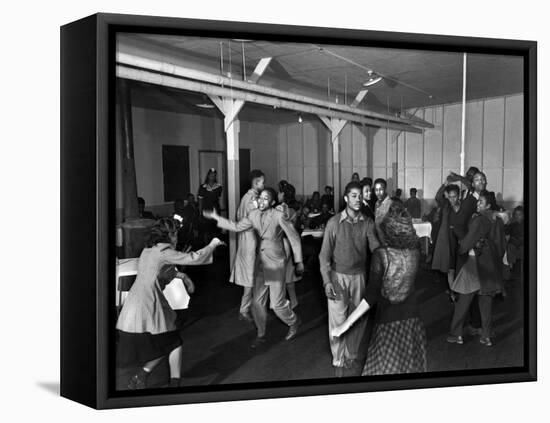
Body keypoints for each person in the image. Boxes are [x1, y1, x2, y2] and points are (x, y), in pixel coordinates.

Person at [116, 218, 225, 389]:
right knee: (172, 342)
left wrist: (183, 276)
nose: (177, 238)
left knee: (170, 342)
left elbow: (160, 272)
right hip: (148, 304)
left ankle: (144, 377)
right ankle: (165, 381)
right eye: (175, 234)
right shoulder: (164, 251)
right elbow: (193, 258)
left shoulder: (149, 250)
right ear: (170, 235)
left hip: (136, 303)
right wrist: (213, 244)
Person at [331, 202, 427, 375]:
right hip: (413, 322)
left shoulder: (381, 255)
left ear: (388, 228)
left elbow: (371, 296)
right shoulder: (415, 251)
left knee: (381, 376)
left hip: (388, 323)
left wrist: (345, 325)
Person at [204, 188, 304, 348]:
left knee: (277, 305)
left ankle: (294, 321)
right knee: (257, 302)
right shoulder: (253, 215)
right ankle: (261, 334)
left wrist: (299, 261)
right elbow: (236, 226)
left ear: (272, 202)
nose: (262, 201)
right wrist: (216, 217)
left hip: (275, 262)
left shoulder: (278, 215)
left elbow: (294, 237)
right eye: (260, 198)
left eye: (266, 199)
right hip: (260, 262)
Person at [318, 181, 380, 377]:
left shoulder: (367, 223)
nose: (358, 199)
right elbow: (323, 256)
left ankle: (351, 354)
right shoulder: (334, 223)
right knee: (337, 320)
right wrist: (327, 281)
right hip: (337, 277)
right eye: (353, 195)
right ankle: (338, 359)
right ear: (345, 198)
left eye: (360, 195)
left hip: (359, 278)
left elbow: (376, 249)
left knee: (358, 319)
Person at [447, 193, 506, 347]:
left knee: (463, 300)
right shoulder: (497, 221)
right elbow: (501, 246)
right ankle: (486, 336)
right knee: (486, 302)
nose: (477, 204)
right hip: (490, 266)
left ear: (488, 205)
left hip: (474, 264)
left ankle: (456, 334)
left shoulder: (479, 220)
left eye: (481, 202)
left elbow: (467, 242)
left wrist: (461, 249)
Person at [231, 169, 265, 323]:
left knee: (252, 277)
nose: (264, 185)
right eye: (262, 182)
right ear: (256, 182)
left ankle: (250, 308)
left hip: (249, 240)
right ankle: (244, 310)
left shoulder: (248, 197)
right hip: (250, 242)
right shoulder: (250, 199)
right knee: (249, 278)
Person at [277, 183, 302, 309]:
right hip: (291, 245)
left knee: (278, 275)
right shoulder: (293, 210)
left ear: (283, 194)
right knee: (288, 276)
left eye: (279, 192)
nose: (278, 194)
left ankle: (279, 302)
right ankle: (294, 300)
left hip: (281, 243)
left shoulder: (280, 209)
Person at [198, 168, 223, 244]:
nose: (212, 176)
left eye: (214, 175)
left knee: (215, 230)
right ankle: (206, 248)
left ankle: (214, 248)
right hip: (206, 211)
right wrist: (200, 212)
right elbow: (200, 201)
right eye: (211, 175)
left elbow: (217, 199)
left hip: (215, 211)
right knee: (206, 231)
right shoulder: (203, 187)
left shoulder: (219, 187)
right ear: (208, 175)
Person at [505, 206, 525, 275]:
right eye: (516, 214)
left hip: (522, 243)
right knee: (510, 247)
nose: (517, 216)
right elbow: (506, 231)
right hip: (513, 243)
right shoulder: (512, 224)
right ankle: (511, 267)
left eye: (520, 215)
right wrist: (508, 223)